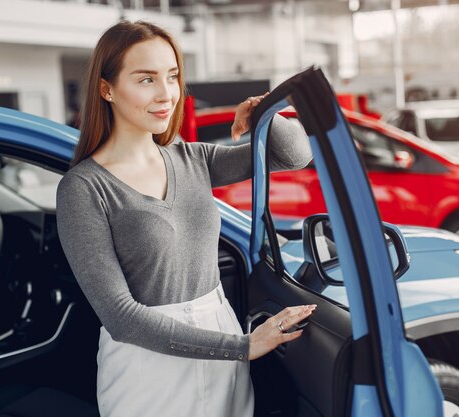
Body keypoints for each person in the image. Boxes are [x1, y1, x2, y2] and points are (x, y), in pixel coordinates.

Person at [55, 20, 315, 417]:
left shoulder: (191, 159)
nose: (166, 95)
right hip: (148, 367)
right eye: (146, 80)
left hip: (220, 335)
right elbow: (122, 318)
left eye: (172, 77)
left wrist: (265, 112)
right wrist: (244, 347)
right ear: (106, 88)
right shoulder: (84, 188)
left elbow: (295, 155)